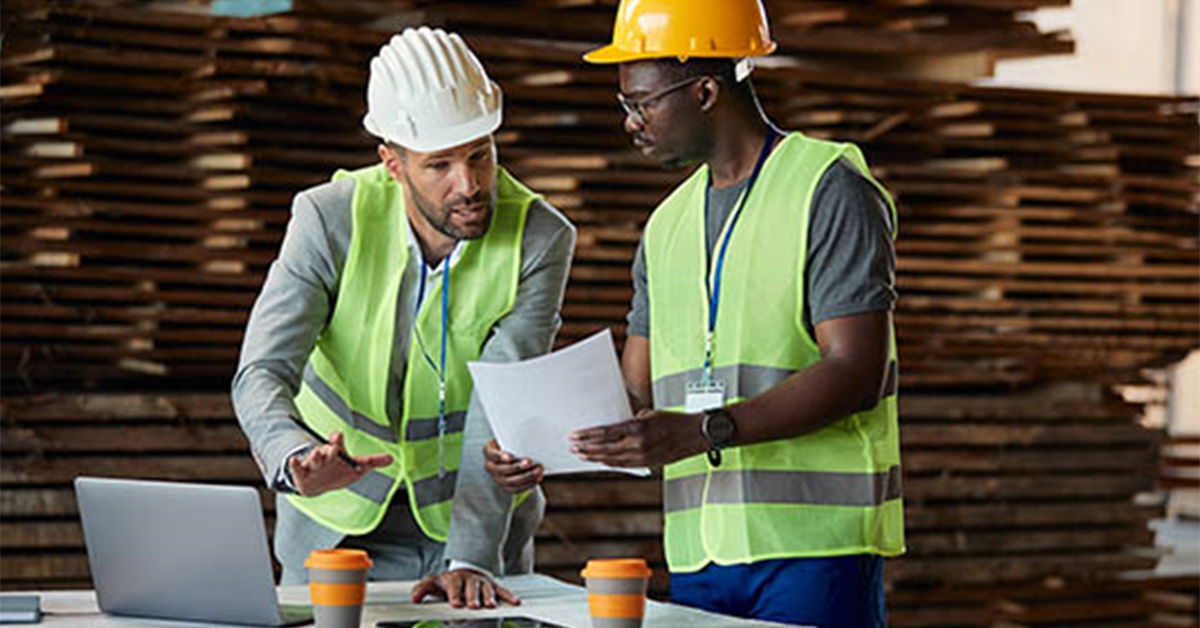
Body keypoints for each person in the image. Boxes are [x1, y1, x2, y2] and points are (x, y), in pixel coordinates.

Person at [485, 1, 903, 625]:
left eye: (641, 103)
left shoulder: (827, 188)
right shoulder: (666, 226)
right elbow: (634, 390)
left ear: (705, 90)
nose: (630, 122)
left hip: (817, 552)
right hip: (699, 555)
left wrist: (703, 431)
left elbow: (854, 371)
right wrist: (541, 440)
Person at [233, 26, 575, 609]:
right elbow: (262, 370)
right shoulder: (328, 219)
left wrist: (470, 556)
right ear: (392, 163)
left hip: (476, 533)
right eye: (438, 165)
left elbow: (500, 402)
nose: (468, 185)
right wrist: (293, 458)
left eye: (480, 155)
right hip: (339, 528)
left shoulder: (540, 238)